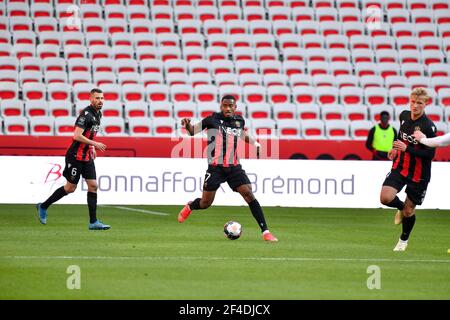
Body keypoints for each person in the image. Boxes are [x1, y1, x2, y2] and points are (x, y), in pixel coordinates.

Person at [177, 95, 278, 242]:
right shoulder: (211, 120)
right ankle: (191, 206)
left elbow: (242, 134)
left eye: (231, 106)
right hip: (215, 168)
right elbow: (193, 131)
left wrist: (256, 144)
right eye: (225, 105)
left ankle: (266, 232)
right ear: (221, 106)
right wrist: (187, 125)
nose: (228, 108)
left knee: (248, 193)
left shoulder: (239, 121)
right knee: (205, 203)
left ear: (235, 107)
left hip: (233, 167)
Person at [36, 88, 110, 230]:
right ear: (91, 99)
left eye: (102, 98)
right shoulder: (86, 115)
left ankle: (93, 222)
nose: (100, 101)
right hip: (75, 156)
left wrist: (92, 147)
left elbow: (89, 134)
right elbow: (76, 135)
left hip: (87, 155)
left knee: (93, 186)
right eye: (97, 98)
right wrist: (95, 144)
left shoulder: (98, 114)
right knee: (70, 188)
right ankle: (43, 206)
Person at [379, 88, 436, 251]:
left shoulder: (428, 126)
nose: (415, 106)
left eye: (419, 103)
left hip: (419, 174)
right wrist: (396, 148)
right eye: (413, 102)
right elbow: (401, 135)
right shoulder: (404, 115)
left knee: (410, 211)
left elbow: (430, 154)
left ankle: (403, 240)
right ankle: (400, 208)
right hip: (400, 166)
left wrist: (406, 149)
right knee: (385, 197)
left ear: (426, 104)